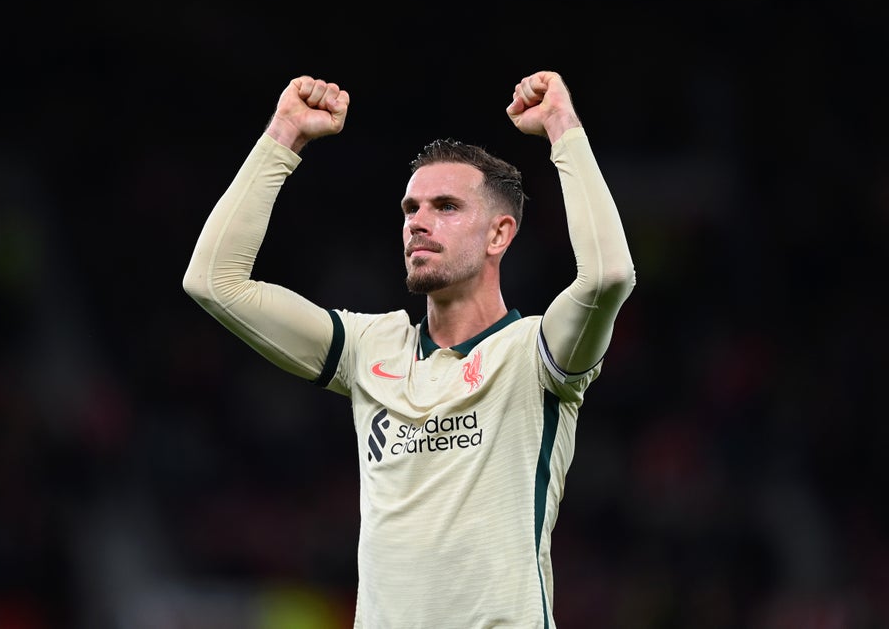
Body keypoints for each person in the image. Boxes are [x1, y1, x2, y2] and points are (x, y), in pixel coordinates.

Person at [183, 71, 636, 628]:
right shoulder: (369, 347)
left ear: (499, 234)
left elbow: (608, 276)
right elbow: (214, 282)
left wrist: (563, 127)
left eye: (446, 206)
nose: (419, 222)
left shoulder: (538, 354)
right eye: (410, 208)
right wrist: (283, 136)